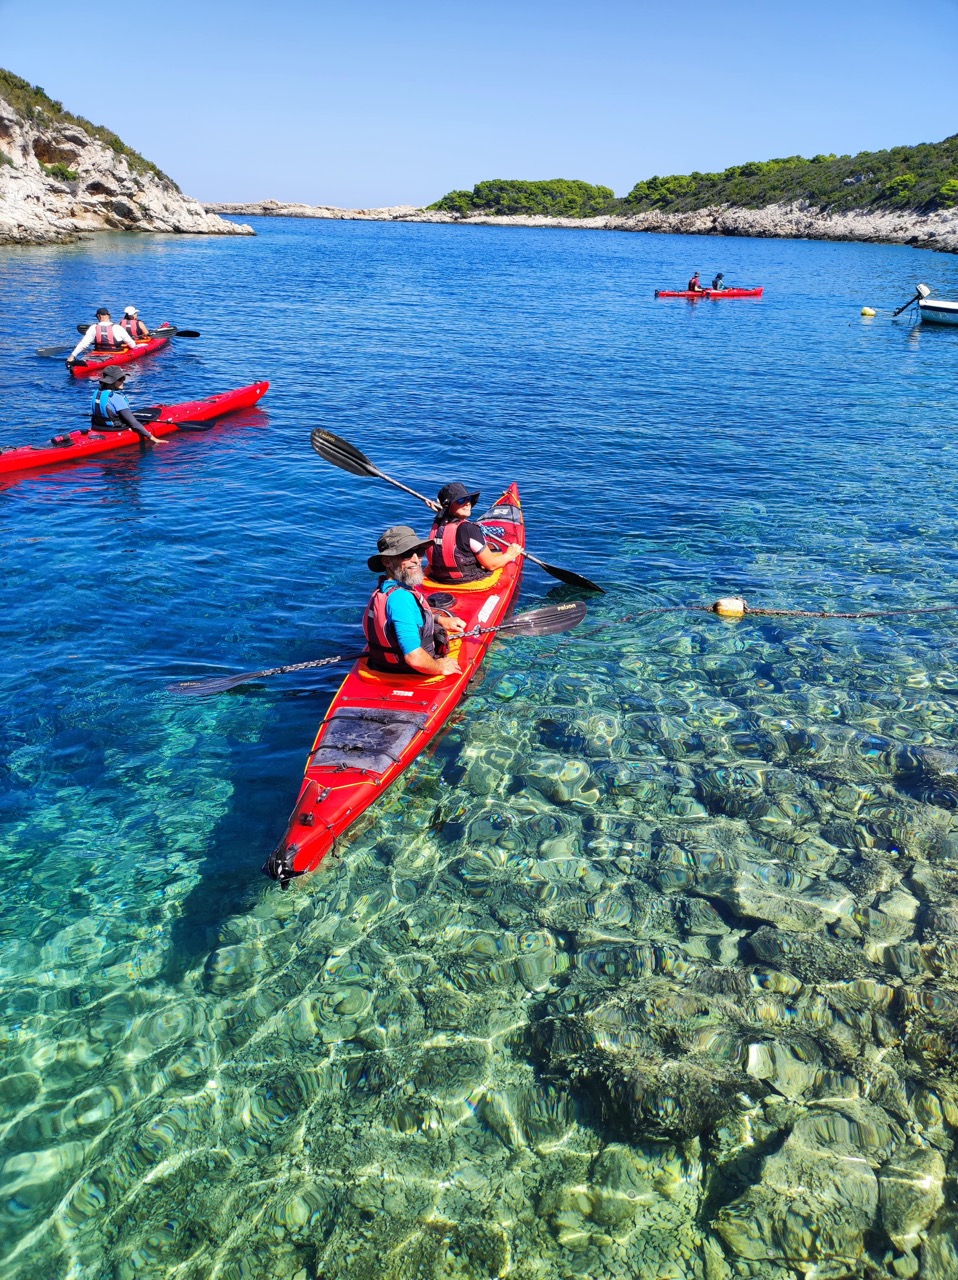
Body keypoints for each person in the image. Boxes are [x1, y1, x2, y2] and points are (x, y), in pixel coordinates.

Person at [365, 526, 465, 676]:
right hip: (409, 672)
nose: (416, 560)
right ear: (387, 562)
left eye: (419, 552)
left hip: (381, 667)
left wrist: (439, 619)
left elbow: (403, 617)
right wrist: (439, 667)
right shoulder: (401, 598)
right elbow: (414, 658)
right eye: (406, 554)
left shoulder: (383, 590)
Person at [425, 482, 522, 585]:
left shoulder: (437, 523)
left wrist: (443, 512)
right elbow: (491, 565)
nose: (467, 503)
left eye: (468, 499)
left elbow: (448, 522)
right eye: (461, 500)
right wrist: (510, 554)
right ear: (448, 506)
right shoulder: (470, 529)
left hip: (439, 579)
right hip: (467, 580)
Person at [90, 366, 168, 445]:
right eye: (120, 379)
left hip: (98, 427)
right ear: (112, 382)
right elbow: (133, 423)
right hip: (115, 428)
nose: (123, 381)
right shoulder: (115, 397)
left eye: (123, 378)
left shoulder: (97, 393)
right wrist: (154, 438)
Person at [68, 308, 136, 365]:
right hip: (116, 354)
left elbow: (83, 344)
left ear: (99, 316)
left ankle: (81, 364)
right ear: (109, 316)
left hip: (98, 353)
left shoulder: (93, 327)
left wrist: (72, 356)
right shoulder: (118, 327)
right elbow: (132, 345)